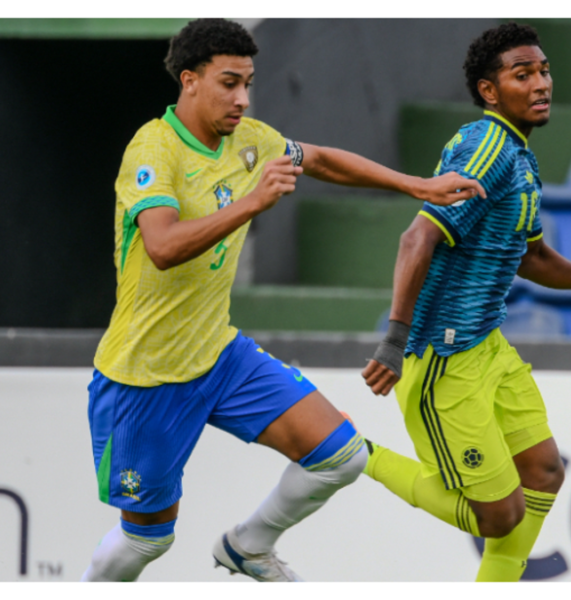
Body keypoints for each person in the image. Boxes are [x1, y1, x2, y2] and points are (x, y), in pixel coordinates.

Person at [81, 18, 485, 583]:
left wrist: (416, 186)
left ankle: (249, 545)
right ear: (190, 80)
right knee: (147, 541)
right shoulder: (153, 148)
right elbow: (164, 246)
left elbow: (318, 159)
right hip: (145, 376)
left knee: (340, 456)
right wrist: (252, 203)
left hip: (218, 356)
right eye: (229, 83)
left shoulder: (250, 139)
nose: (243, 98)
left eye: (248, 83)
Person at [360, 22, 571, 582]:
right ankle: (354, 454)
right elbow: (417, 237)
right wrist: (396, 341)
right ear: (490, 90)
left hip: (487, 347)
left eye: (544, 70)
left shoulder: (521, 158)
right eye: (524, 74)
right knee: (498, 516)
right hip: (442, 357)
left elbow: (532, 256)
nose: (542, 83)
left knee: (543, 472)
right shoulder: (486, 147)